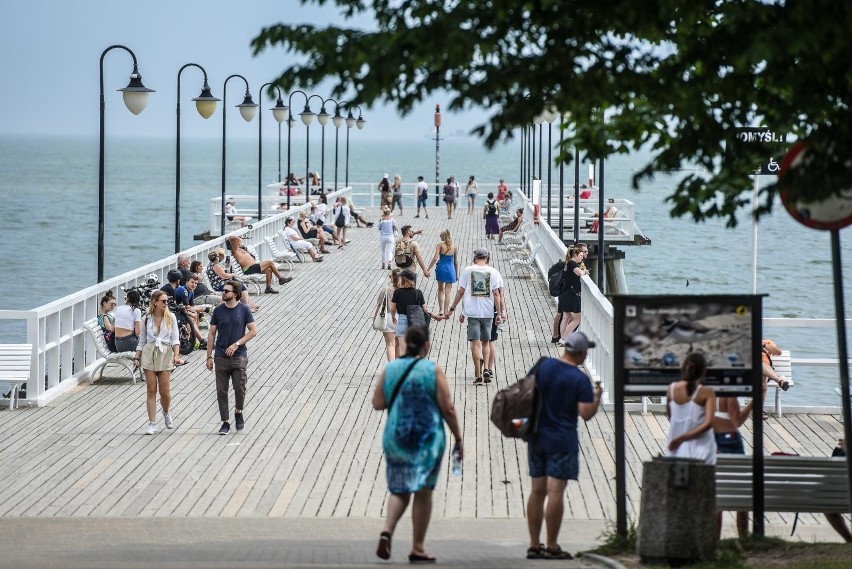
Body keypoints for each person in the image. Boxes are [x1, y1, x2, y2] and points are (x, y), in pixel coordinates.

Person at [372, 326, 463, 564]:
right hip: (427, 439)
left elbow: (378, 403)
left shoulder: (391, 369)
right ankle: (418, 547)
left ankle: (387, 531)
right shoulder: (433, 370)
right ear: (426, 345)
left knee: (400, 489)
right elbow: (447, 408)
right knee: (423, 491)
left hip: (397, 437)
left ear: (404, 344)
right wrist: (459, 437)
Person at [525, 331, 602, 560]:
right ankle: (551, 545)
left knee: (537, 491)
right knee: (555, 491)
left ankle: (533, 544)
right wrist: (597, 396)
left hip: (537, 435)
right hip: (562, 439)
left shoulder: (544, 365)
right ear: (580, 353)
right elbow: (586, 414)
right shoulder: (579, 379)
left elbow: (527, 388)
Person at [713, 380, 765, 540]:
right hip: (730, 440)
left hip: (712, 439)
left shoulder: (705, 390)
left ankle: (713, 541)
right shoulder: (728, 392)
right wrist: (754, 401)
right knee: (742, 491)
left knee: (717, 493)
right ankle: (744, 539)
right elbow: (736, 421)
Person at [446, 248, 505, 384]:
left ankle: (478, 375)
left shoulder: (468, 270)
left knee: (475, 344)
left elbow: (461, 291)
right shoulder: (494, 272)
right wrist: (499, 313)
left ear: (475, 258)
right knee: (486, 343)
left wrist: (453, 309)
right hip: (488, 313)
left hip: (472, 313)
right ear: (487, 258)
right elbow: (497, 294)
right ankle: (486, 369)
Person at [206, 280, 257, 436]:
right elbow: (212, 333)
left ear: (235, 293)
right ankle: (225, 422)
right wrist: (209, 356)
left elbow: (253, 331)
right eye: (223, 290)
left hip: (239, 355)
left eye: (227, 291)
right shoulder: (218, 311)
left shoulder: (244, 310)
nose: (224, 293)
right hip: (221, 355)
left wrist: (236, 344)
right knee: (221, 391)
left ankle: (238, 412)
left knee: (240, 387)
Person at [134, 290, 181, 435]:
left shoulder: (170, 317)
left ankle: (166, 412)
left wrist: (176, 355)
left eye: (167, 301)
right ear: (155, 302)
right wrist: (137, 357)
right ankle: (152, 423)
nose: (166, 303)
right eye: (163, 301)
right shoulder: (146, 318)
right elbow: (142, 341)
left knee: (165, 391)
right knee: (151, 389)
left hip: (165, 352)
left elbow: (175, 338)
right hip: (149, 352)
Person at [666, 353, 717, 464]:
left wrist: (680, 436)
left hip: (675, 448)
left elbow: (671, 416)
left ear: (684, 368)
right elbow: (708, 423)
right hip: (702, 449)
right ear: (702, 371)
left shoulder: (672, 388)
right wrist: (683, 438)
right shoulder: (707, 392)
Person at [390, 270, 440, 358]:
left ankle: (404, 369)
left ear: (404, 279)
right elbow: (425, 310)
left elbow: (392, 309)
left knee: (403, 349)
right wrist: (435, 316)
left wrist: (393, 317)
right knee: (415, 350)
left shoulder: (397, 292)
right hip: (415, 324)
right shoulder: (418, 292)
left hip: (402, 320)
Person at [228, 235, 293, 293]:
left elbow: (252, 257)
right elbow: (236, 240)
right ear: (234, 243)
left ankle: (268, 288)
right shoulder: (235, 251)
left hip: (253, 266)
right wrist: (233, 238)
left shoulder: (241, 249)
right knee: (270, 262)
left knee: (269, 269)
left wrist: (244, 248)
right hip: (248, 269)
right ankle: (281, 279)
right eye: (238, 243)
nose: (240, 244)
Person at [556, 244, 589, 345]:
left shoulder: (568, 263)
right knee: (578, 319)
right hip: (571, 295)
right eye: (580, 256)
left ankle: (562, 338)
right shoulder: (572, 263)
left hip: (566, 293)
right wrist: (585, 272)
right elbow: (579, 273)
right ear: (575, 255)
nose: (582, 258)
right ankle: (565, 338)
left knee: (566, 316)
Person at [424, 229, 458, 316]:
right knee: (448, 291)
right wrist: (456, 273)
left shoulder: (440, 245)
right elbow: (456, 262)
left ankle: (440, 310)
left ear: (444, 236)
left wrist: (428, 269)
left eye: (441, 236)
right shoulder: (454, 247)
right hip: (450, 269)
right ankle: (446, 311)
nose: (440, 237)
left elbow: (435, 258)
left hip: (441, 268)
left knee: (440, 290)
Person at [374, 269, 401, 361]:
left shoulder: (386, 290)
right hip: (402, 318)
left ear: (392, 278)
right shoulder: (405, 290)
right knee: (398, 344)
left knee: (390, 344)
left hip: (388, 317)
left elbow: (379, 306)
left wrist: (374, 320)